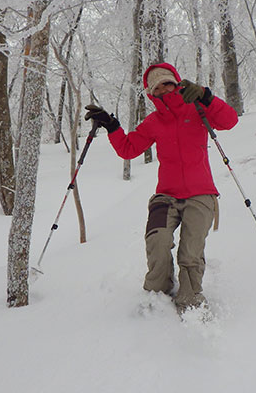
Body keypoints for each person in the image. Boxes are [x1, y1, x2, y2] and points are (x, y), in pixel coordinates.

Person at [85, 62, 238, 313]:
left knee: (190, 251)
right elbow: (128, 148)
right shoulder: (154, 121)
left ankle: (190, 300)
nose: (164, 89)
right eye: (157, 86)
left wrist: (205, 96)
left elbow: (230, 120)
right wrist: (112, 126)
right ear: (151, 93)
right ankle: (158, 294)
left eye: (168, 83)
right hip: (165, 195)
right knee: (157, 240)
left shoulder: (197, 108)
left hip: (201, 194)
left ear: (177, 84)